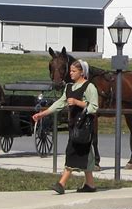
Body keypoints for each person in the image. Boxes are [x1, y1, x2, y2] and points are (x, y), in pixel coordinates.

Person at [33, 59, 99, 194]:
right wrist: (42, 114)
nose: (71, 73)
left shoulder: (89, 87)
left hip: (84, 126)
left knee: (72, 152)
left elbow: (94, 107)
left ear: (82, 72)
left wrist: (77, 102)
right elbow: (59, 103)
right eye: (70, 71)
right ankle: (90, 185)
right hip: (74, 126)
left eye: (74, 71)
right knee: (86, 155)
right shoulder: (68, 87)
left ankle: (61, 184)